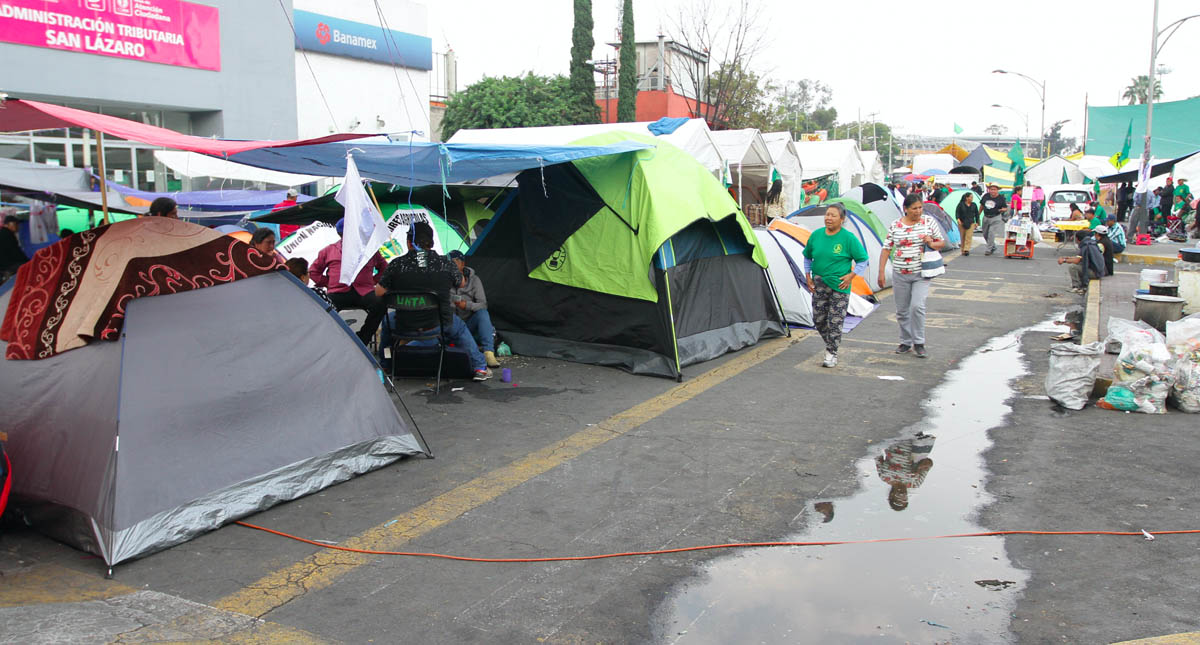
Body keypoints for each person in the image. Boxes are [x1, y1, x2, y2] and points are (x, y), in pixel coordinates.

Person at [375, 221, 491, 381]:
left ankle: (386, 365)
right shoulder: (445, 263)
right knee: (459, 327)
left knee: (387, 323)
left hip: (404, 324)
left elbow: (379, 292)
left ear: (409, 242)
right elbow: (462, 283)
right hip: (438, 324)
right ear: (432, 242)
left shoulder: (397, 264)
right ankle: (480, 367)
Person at [802, 203, 869, 368]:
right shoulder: (816, 235)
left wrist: (852, 275)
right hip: (819, 282)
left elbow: (863, 259)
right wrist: (808, 276)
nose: (828, 218)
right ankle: (833, 342)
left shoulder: (848, 238)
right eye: (827, 215)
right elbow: (807, 257)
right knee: (818, 319)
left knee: (835, 320)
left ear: (842, 219)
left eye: (833, 215)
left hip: (840, 284)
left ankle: (831, 352)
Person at [879, 193, 945, 358]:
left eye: (920, 207)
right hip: (900, 272)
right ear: (906, 209)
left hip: (921, 272)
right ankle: (905, 341)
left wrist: (931, 242)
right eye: (914, 208)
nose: (918, 211)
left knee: (917, 306)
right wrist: (881, 272)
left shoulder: (928, 222)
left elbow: (941, 243)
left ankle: (919, 342)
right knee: (902, 311)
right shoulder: (896, 225)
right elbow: (887, 248)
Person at [310, 218, 388, 345]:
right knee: (324, 308)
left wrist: (373, 280)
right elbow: (313, 272)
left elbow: (385, 268)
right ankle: (335, 340)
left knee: (380, 304)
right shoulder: (328, 250)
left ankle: (363, 338)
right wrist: (328, 283)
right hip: (338, 292)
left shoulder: (369, 249)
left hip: (364, 291)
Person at [447, 249, 500, 368]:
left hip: (468, 324)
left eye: (454, 262)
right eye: (449, 263)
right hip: (452, 325)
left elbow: (483, 304)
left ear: (462, 263)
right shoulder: (444, 280)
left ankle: (489, 353)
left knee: (482, 314)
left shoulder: (474, 280)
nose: (451, 266)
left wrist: (466, 305)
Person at [875, 433, 936, 511]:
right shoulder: (915, 483)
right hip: (914, 439)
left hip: (893, 436)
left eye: (899, 499)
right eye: (905, 500)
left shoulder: (884, 477)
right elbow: (929, 463)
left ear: (891, 496)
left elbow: (876, 454)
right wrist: (919, 468)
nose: (903, 497)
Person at [1058, 229, 1106, 294]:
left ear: (1077, 239)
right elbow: (1080, 257)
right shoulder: (1090, 243)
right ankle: (1079, 284)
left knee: (1073, 267)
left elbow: (1076, 260)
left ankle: (1076, 287)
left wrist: (1064, 260)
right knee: (1079, 265)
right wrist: (1068, 258)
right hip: (1099, 271)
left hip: (1095, 272)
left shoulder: (1085, 246)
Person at [979, 183, 1007, 255]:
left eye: (994, 189)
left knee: (991, 233)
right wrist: (978, 214)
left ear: (997, 190)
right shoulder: (986, 196)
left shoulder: (1001, 198)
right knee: (985, 233)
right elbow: (982, 205)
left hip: (995, 217)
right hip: (986, 216)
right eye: (991, 189)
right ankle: (993, 246)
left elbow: (1005, 207)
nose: (993, 191)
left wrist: (1002, 210)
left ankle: (988, 249)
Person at [955, 191, 980, 256]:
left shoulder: (974, 205)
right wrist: (958, 219)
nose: (972, 198)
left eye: (972, 197)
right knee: (962, 236)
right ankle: (962, 249)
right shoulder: (961, 204)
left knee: (968, 236)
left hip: (971, 222)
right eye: (971, 197)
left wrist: (977, 222)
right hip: (962, 222)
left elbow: (977, 214)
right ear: (967, 198)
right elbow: (957, 212)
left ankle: (967, 249)